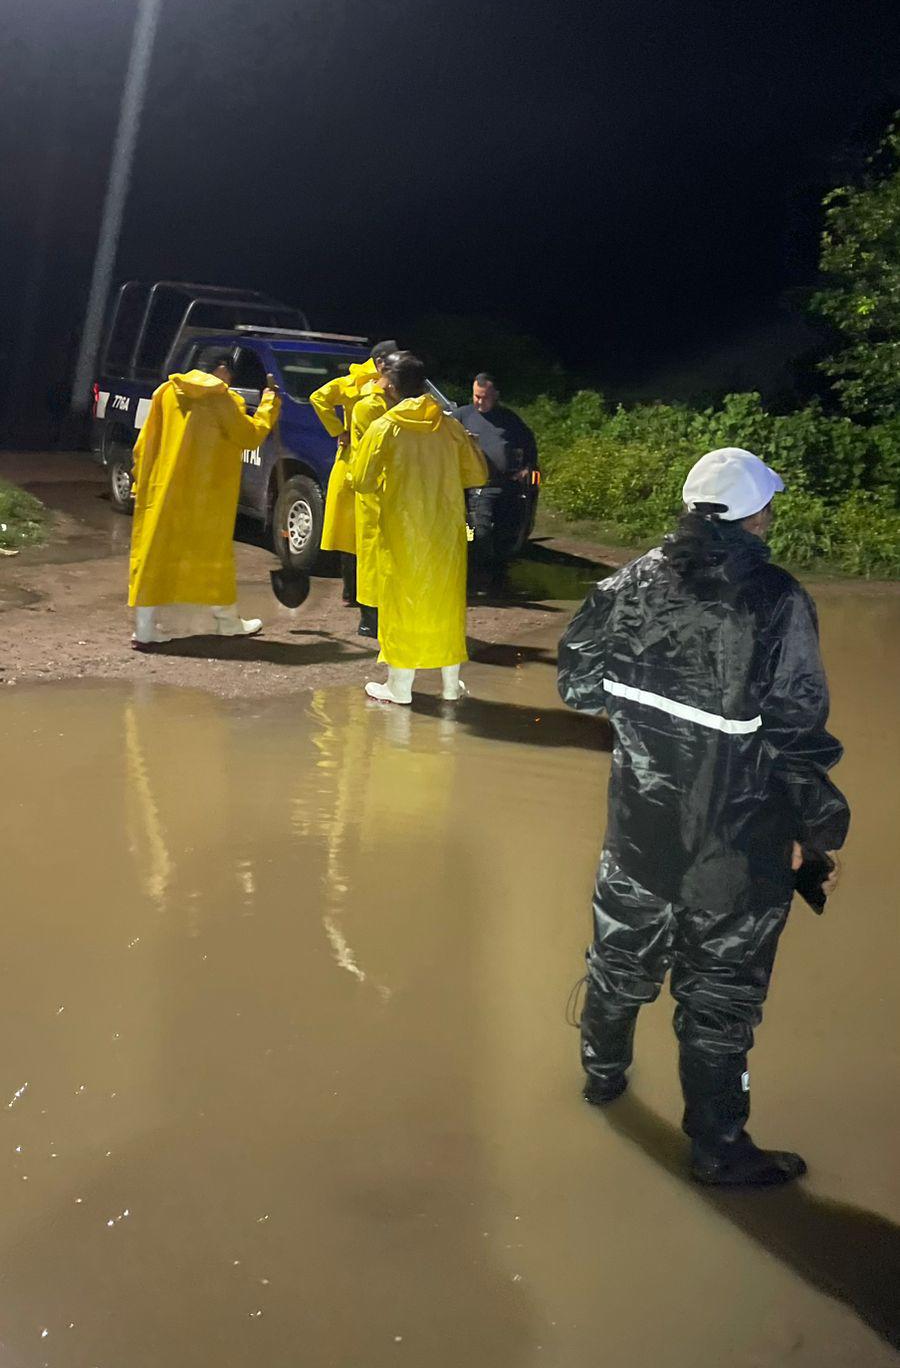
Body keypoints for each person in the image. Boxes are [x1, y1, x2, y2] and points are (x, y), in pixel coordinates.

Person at [558, 447, 849, 1187]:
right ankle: (719, 1151)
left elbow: (578, 684)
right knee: (718, 1004)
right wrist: (821, 834)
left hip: (637, 834)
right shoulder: (777, 599)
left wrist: (646, 726)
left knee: (618, 965)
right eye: (769, 507)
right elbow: (797, 732)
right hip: (736, 853)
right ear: (755, 514)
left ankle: (602, 1078)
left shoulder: (628, 581)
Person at [350, 352, 488, 703]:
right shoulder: (451, 426)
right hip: (444, 529)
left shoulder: (385, 428)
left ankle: (400, 686)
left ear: (393, 389)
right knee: (445, 600)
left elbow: (362, 481)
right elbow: (478, 475)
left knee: (402, 601)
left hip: (401, 529)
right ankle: (449, 685)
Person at [129, 346, 280, 648]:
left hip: (164, 491)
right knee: (214, 558)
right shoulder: (222, 399)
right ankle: (227, 622)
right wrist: (269, 403)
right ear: (222, 370)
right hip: (207, 495)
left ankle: (145, 628)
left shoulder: (165, 393)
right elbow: (248, 436)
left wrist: (140, 482)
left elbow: (144, 443)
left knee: (153, 556)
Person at [310, 341, 397, 607]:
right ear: (381, 362)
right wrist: (338, 431)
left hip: (362, 462)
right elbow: (318, 397)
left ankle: (359, 591)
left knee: (359, 532)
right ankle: (357, 592)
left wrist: (339, 430)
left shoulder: (364, 381)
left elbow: (319, 398)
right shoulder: (360, 382)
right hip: (359, 463)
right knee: (358, 532)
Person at [452, 373, 538, 574]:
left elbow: (529, 443)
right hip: (479, 486)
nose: (479, 401)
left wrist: (527, 466)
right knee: (479, 532)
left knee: (506, 532)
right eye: (476, 396)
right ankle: (478, 571)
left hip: (508, 484)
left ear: (495, 395)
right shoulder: (462, 417)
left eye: (485, 397)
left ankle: (499, 573)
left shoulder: (509, 419)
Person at [349, 369, 389, 639]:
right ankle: (369, 619)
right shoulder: (368, 407)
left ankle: (380, 616)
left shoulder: (389, 405)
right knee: (371, 557)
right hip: (373, 490)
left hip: (389, 492)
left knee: (382, 556)